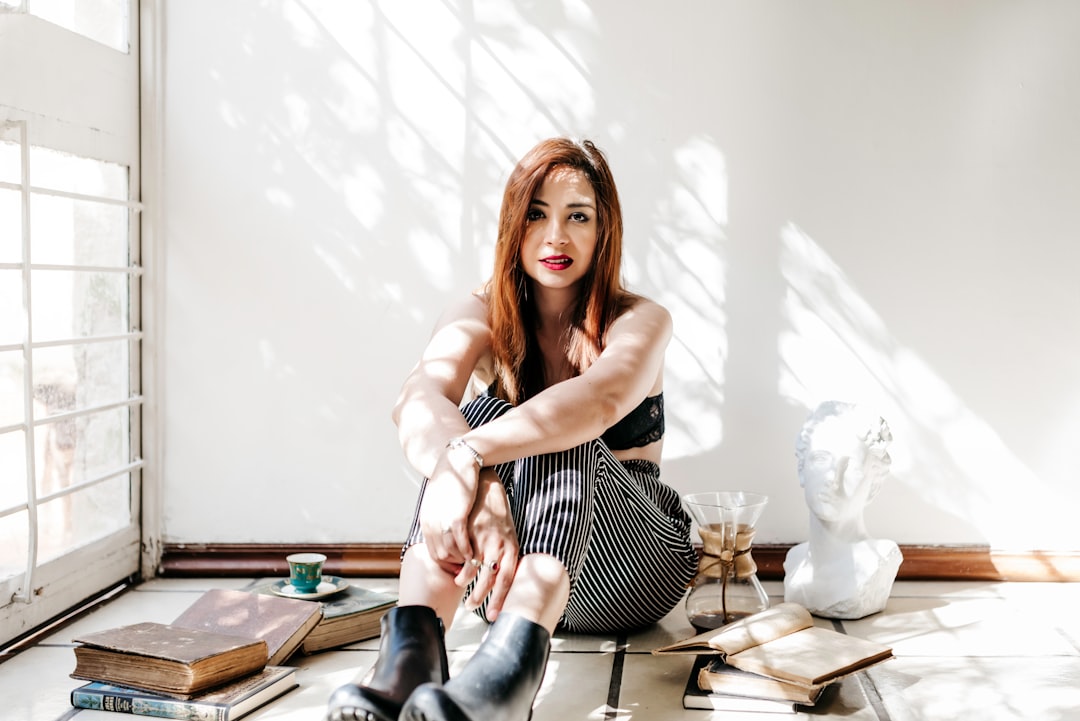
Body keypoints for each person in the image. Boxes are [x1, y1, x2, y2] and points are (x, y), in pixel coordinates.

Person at [326, 138, 698, 721]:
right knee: (474, 418)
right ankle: (410, 664)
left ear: (604, 231)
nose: (556, 238)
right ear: (511, 224)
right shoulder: (480, 310)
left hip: (636, 568)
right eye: (536, 215)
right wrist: (476, 476)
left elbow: (597, 401)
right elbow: (418, 397)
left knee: (536, 421)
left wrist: (470, 453)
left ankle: (507, 689)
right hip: (504, 573)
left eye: (578, 217)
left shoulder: (641, 319)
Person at [782, 400, 902, 619]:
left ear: (874, 484)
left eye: (851, 467)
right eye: (820, 459)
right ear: (802, 470)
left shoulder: (880, 559)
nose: (832, 479)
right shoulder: (795, 560)